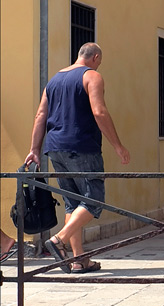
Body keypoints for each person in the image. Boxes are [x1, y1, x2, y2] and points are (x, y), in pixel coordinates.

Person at [25, 42, 130, 273]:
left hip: (54, 147)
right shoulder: (92, 76)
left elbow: (40, 114)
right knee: (94, 198)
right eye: (99, 62)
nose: (99, 66)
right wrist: (118, 146)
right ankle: (59, 239)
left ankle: (78, 259)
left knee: (73, 202)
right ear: (94, 57)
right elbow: (99, 111)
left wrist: (34, 148)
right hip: (81, 145)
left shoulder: (53, 80)